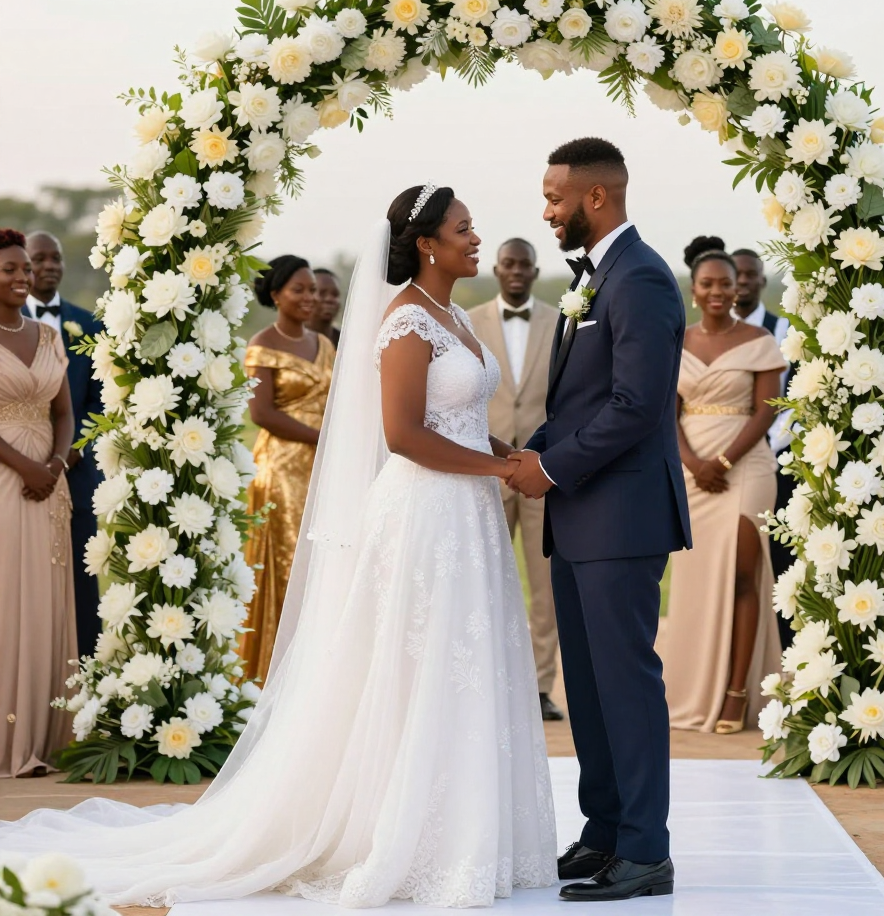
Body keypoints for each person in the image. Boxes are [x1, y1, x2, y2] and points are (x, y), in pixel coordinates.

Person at [0, 189, 556, 907]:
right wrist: (503, 470)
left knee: (463, 662)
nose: (476, 238)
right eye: (463, 229)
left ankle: (470, 828)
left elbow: (465, 421)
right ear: (425, 243)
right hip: (428, 511)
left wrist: (513, 457)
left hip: (468, 512)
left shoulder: (452, 315)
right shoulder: (408, 320)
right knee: (417, 663)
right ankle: (401, 834)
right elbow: (405, 436)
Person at [508, 138, 688, 902]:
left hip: (621, 518)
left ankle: (646, 851)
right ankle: (606, 831)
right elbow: (578, 403)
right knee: (588, 685)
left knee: (626, 683)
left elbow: (636, 406)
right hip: (582, 518)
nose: (545, 211)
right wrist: (526, 451)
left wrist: (548, 468)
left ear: (595, 198)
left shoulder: (640, 277)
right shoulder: (596, 277)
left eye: (553, 197)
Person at [662, 236, 784, 736]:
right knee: (695, 581)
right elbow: (666, 415)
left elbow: (766, 412)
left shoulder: (760, 343)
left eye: (727, 284)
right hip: (693, 473)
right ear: (694, 289)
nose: (718, 291)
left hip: (748, 469)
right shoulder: (675, 341)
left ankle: (737, 693)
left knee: (742, 573)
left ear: (739, 289)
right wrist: (693, 463)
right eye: (708, 283)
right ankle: (694, 689)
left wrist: (727, 459)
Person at [467, 238, 563, 721]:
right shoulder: (469, 320)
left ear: (535, 269)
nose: (517, 271)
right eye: (509, 263)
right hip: (485, 467)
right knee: (483, 577)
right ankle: (485, 681)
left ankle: (541, 686)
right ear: (497, 269)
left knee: (545, 584)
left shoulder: (560, 320)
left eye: (526, 264)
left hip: (543, 470)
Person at [0, 229, 76, 778]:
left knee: (47, 601)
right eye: (10, 269)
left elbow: (64, 415)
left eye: (25, 268)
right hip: (5, 477)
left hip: (51, 485)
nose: (22, 277)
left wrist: (55, 465)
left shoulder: (49, 338)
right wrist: (25, 466)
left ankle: (44, 738)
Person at [240, 255, 336, 684]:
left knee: (326, 564)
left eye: (313, 290)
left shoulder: (326, 345)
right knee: (290, 563)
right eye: (299, 289)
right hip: (281, 470)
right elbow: (261, 413)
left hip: (327, 466)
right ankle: (274, 674)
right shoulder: (262, 344)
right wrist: (321, 438)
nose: (309, 297)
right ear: (276, 294)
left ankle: (318, 670)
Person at [23, 230, 104, 656]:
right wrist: (33, 461)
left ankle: (85, 662)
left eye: (56, 258)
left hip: (77, 471)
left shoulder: (90, 324)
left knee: (81, 572)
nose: (50, 265)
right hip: (19, 470)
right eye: (41, 258)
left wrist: (68, 455)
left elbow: (100, 399)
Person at [732, 246, 795, 649]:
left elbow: (794, 397)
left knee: (778, 564)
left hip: (776, 461)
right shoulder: (704, 333)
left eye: (750, 274)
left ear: (761, 281)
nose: (741, 282)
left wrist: (767, 446)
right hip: (721, 467)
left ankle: (781, 655)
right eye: (734, 275)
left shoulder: (786, 331)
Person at [310, 267, 342, 348]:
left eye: (335, 295)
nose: (330, 299)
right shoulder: (288, 341)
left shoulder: (346, 341)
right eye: (322, 293)